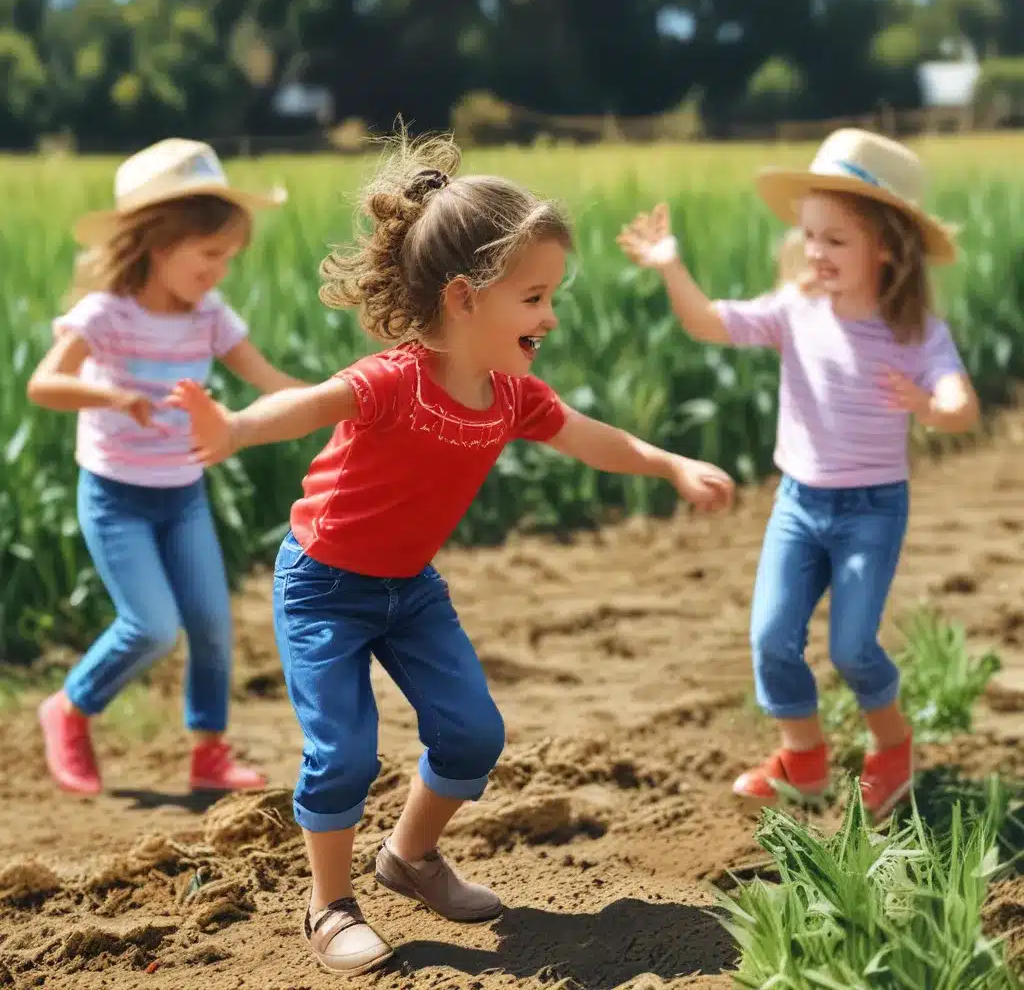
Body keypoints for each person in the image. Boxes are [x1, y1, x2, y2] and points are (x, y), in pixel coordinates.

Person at [168, 131, 735, 976]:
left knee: (472, 735)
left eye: (553, 297)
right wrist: (236, 427)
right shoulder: (395, 380)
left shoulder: (510, 395)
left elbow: (590, 437)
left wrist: (668, 462)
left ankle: (409, 859)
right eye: (535, 297)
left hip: (408, 591)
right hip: (323, 586)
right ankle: (329, 906)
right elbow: (313, 405)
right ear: (466, 297)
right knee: (345, 753)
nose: (550, 316)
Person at [618, 128, 980, 822]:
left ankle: (892, 748)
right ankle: (804, 759)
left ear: (887, 247)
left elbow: (961, 407)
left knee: (851, 647)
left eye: (836, 240)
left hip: (872, 509)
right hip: (799, 504)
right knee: (771, 638)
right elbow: (708, 324)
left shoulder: (914, 333)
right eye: (810, 236)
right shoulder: (794, 310)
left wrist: (933, 405)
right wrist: (670, 266)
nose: (816, 252)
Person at [27, 138, 305, 798]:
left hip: (182, 493)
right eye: (209, 256)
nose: (220, 272)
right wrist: (112, 396)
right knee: (152, 627)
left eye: (228, 258)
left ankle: (208, 753)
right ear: (159, 244)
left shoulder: (210, 318)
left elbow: (270, 381)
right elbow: (44, 384)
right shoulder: (106, 314)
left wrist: (354, 399)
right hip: (115, 496)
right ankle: (68, 709)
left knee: (211, 624)